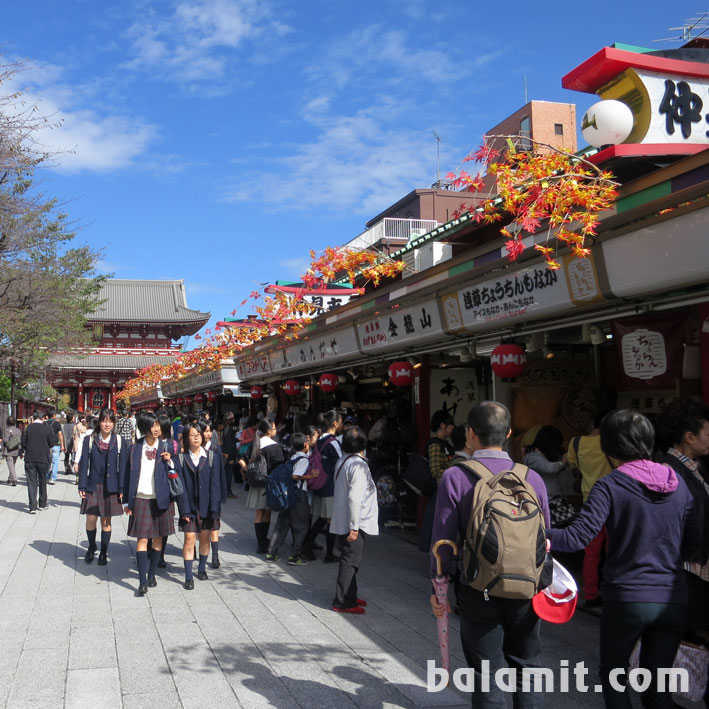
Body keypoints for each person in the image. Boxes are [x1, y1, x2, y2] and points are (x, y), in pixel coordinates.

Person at [547, 410, 698, 709]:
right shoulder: (680, 484)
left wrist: (536, 534)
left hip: (627, 597)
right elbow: (693, 542)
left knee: (614, 675)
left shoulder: (610, 485)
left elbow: (578, 536)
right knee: (658, 688)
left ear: (610, 447)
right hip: (672, 597)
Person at [430, 401, 550, 709]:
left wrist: (439, 585)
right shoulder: (532, 478)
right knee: (526, 666)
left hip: (477, 588)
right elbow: (545, 535)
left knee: (487, 673)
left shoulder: (456, 477)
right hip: (527, 589)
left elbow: (443, 543)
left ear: (469, 434)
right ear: (508, 433)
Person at [656, 398, 709, 646]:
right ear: (690, 437)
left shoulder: (698, 467)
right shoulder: (669, 471)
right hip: (685, 570)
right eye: (707, 433)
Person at [124, 411, 187, 596]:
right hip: (142, 498)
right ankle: (142, 581)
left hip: (162, 498)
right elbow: (128, 474)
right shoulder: (135, 448)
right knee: (142, 539)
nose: (156, 428)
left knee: (158, 538)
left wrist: (170, 461)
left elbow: (177, 472)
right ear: (144, 428)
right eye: (152, 425)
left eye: (158, 424)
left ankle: (152, 574)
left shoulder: (167, 446)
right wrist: (128, 501)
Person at [330, 426, 379, 614]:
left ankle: (350, 594)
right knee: (350, 560)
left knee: (350, 558)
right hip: (354, 520)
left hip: (345, 518)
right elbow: (355, 497)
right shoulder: (358, 465)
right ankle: (342, 600)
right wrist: (354, 526)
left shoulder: (343, 460)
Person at [567, 412, 613, 610]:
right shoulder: (614, 443)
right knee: (614, 550)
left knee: (591, 552)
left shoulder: (576, 443)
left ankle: (591, 595)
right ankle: (614, 592)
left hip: (590, 502)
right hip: (614, 502)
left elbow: (573, 466)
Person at [78, 409, 129, 566]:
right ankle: (92, 546)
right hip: (93, 483)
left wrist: (122, 489)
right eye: (104, 421)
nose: (107, 424)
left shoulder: (119, 440)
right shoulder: (89, 439)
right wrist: (82, 485)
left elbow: (123, 466)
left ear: (114, 423)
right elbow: (84, 462)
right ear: (99, 422)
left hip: (111, 485)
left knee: (106, 520)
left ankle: (104, 552)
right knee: (91, 517)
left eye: (110, 421)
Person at [266, 432, 319, 566]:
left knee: (282, 524)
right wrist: (310, 476)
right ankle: (295, 556)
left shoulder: (292, 457)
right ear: (306, 445)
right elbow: (296, 476)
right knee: (301, 525)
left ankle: (271, 552)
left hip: (287, 494)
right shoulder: (303, 460)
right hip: (298, 494)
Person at [178, 422, 221, 589]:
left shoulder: (211, 457)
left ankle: (202, 567)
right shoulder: (181, 458)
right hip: (189, 505)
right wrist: (183, 509)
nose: (196, 438)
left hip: (207, 505)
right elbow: (179, 486)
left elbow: (216, 484)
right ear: (186, 438)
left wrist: (215, 508)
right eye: (192, 435)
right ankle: (189, 576)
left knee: (204, 538)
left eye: (198, 434)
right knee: (189, 538)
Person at [303, 410, 343, 562]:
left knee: (323, 518)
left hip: (318, 483)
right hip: (329, 486)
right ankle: (328, 553)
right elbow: (342, 464)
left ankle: (308, 543)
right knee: (330, 520)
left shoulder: (319, 441)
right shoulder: (334, 443)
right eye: (340, 421)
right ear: (334, 423)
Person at [244, 419, 285, 554]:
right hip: (269, 484)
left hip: (256, 484)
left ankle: (261, 543)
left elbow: (241, 459)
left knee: (258, 512)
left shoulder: (255, 444)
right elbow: (279, 468)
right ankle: (263, 543)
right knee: (266, 512)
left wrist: (250, 473)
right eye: (274, 428)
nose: (275, 430)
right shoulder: (275, 447)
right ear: (269, 431)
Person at [523, 424, 574, 527]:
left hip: (553, 501)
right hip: (547, 504)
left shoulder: (539, 455)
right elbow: (550, 468)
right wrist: (564, 461)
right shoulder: (533, 457)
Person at [419, 410, 455, 552]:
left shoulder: (445, 443)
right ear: (442, 425)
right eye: (450, 425)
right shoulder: (435, 444)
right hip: (439, 487)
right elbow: (434, 470)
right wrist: (453, 474)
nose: (452, 428)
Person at [201, 419, 226, 568]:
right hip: (201, 492)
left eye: (210, 431)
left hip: (213, 491)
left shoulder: (215, 448)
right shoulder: (195, 449)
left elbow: (221, 473)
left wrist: (222, 492)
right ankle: (201, 551)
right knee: (202, 526)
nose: (208, 434)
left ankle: (215, 556)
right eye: (205, 431)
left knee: (214, 525)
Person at [20, 411, 55, 513]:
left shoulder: (27, 428)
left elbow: (23, 443)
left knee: (31, 482)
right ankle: (42, 504)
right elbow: (52, 443)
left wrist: (29, 448)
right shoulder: (47, 428)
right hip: (43, 458)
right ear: (43, 418)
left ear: (33, 418)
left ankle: (32, 507)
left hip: (30, 458)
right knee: (42, 480)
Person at [45, 408, 65, 485]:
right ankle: (52, 478)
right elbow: (60, 435)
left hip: (46, 445)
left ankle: (46, 476)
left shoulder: (44, 423)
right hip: (55, 445)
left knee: (47, 461)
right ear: (54, 415)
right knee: (55, 462)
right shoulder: (57, 424)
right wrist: (62, 445)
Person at [221, 411, 238, 498]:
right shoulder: (228, 429)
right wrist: (231, 457)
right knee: (228, 474)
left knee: (226, 473)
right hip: (228, 455)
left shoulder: (224, 428)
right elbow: (229, 444)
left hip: (225, 454)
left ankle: (226, 491)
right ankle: (227, 491)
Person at [2, 416, 22, 486]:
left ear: (7, 422)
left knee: (10, 464)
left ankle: (14, 479)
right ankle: (10, 478)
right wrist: (21, 452)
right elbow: (20, 441)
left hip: (9, 450)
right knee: (12, 464)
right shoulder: (18, 430)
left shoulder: (7, 430)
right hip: (17, 450)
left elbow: (6, 440)